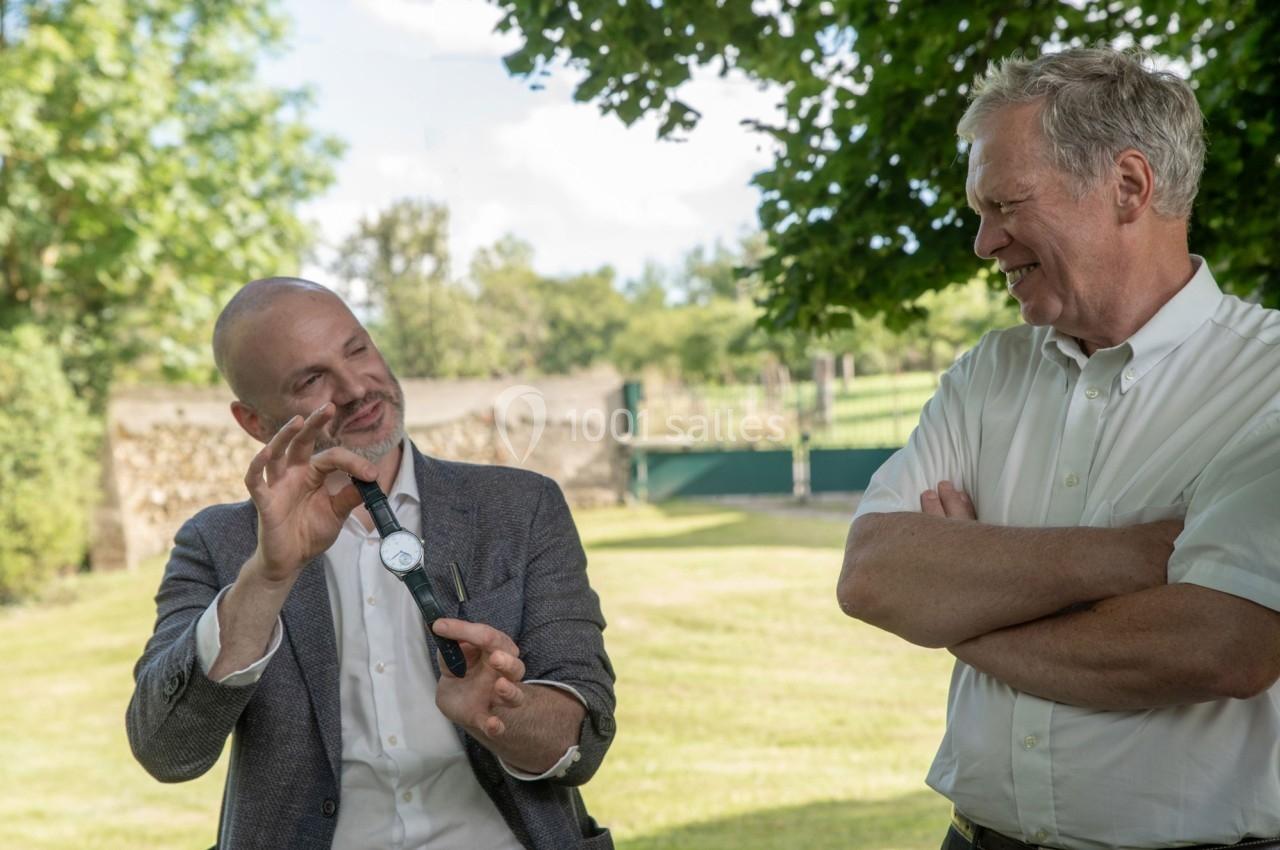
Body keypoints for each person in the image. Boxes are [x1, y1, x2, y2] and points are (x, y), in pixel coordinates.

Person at [837, 47, 1280, 850]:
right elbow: (873, 576)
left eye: (1005, 204)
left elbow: (1223, 645)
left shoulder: (1271, 380)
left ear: (1129, 187)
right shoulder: (986, 374)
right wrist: (1141, 558)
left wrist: (964, 602)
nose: (983, 243)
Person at [126, 277, 616, 850]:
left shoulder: (521, 506)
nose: (357, 387)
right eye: (312, 379)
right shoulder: (218, 542)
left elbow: (584, 740)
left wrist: (504, 712)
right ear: (254, 422)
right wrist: (268, 576)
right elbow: (167, 751)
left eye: (357, 350)